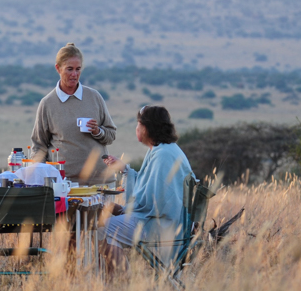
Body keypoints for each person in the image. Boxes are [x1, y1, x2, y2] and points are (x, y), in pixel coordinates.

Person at [99, 105, 194, 277]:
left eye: (139, 124)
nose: (137, 128)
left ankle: (121, 282)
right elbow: (150, 187)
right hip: (166, 220)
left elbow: (157, 202)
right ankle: (119, 280)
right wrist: (125, 170)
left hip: (162, 225)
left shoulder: (163, 155)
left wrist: (124, 210)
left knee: (104, 228)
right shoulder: (163, 150)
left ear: (148, 128)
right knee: (109, 228)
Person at [31, 42, 117, 185]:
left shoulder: (94, 97)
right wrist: (40, 179)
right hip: (64, 183)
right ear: (58, 68)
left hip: (100, 181)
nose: (74, 74)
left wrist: (98, 131)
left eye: (78, 69)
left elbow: (111, 135)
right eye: (69, 69)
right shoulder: (47, 103)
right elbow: (39, 146)